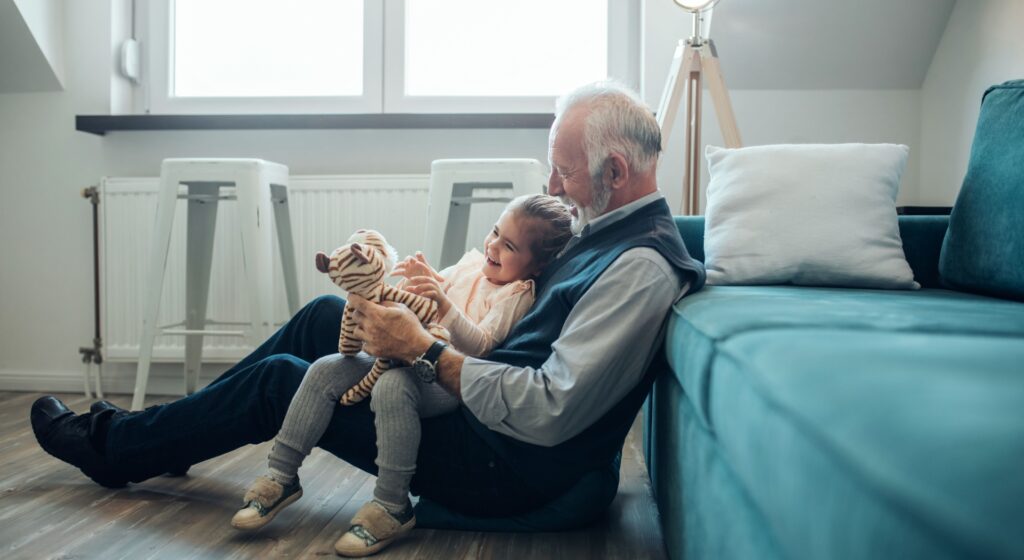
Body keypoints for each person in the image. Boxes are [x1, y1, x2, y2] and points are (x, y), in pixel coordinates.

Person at [30, 80, 706, 556]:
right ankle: (165, 439)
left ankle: (112, 450)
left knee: (285, 380)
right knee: (327, 313)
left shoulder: (638, 268)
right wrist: (430, 310)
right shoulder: (606, 228)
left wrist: (427, 352)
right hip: (478, 411)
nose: (551, 187)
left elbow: (551, 410)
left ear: (615, 170)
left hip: (506, 465)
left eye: (561, 172)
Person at [230, 194, 572, 556]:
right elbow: (431, 293)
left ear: (536, 266)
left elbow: (482, 346)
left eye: (510, 246)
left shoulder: (516, 294)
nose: (493, 246)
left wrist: (443, 303)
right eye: (495, 232)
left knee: (392, 388)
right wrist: (420, 280)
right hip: (403, 354)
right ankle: (280, 477)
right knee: (323, 370)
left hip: (444, 378)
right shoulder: (473, 263)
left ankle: (392, 505)